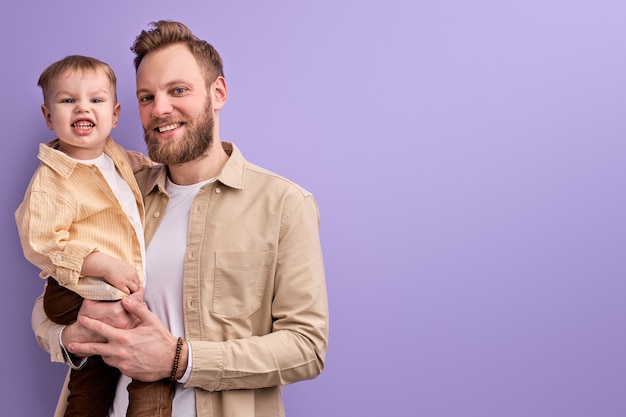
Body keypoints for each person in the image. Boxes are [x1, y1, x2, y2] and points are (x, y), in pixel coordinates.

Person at [31, 20, 329, 417]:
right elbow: (49, 297)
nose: (160, 109)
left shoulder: (284, 205)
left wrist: (181, 360)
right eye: (146, 96)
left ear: (217, 92)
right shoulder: (120, 191)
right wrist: (69, 335)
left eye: (178, 90)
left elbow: (306, 348)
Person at [16, 55, 174, 417]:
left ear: (115, 115)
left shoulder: (116, 157)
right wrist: (100, 264)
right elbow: (41, 243)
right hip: (75, 291)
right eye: (68, 100)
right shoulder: (52, 180)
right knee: (114, 374)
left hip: (112, 297)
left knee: (97, 380)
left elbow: (145, 169)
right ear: (48, 116)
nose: (82, 108)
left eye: (96, 100)